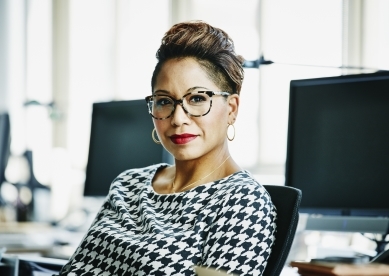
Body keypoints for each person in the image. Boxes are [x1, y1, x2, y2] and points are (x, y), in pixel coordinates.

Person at [59, 20, 277, 276]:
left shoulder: (243, 203)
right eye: (164, 101)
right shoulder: (128, 184)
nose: (177, 118)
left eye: (197, 99)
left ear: (231, 109)